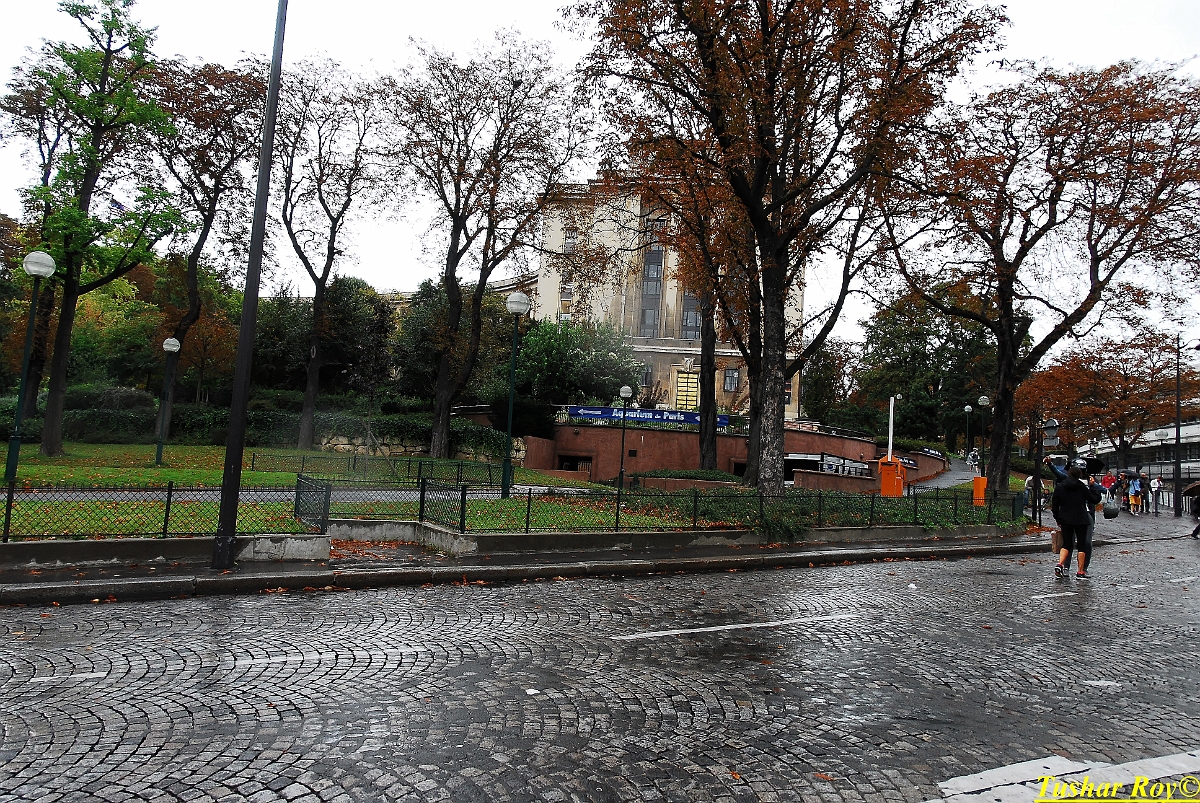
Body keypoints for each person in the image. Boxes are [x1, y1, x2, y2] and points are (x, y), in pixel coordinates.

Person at [1051, 462, 1103, 579]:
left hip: (1066, 518)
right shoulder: (1082, 487)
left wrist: (1058, 517)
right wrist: (1093, 488)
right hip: (1081, 518)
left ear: (1069, 473)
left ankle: (1060, 564)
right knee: (1082, 545)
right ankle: (1080, 571)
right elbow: (1094, 499)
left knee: (1067, 543)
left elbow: (1055, 505)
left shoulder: (1060, 486)